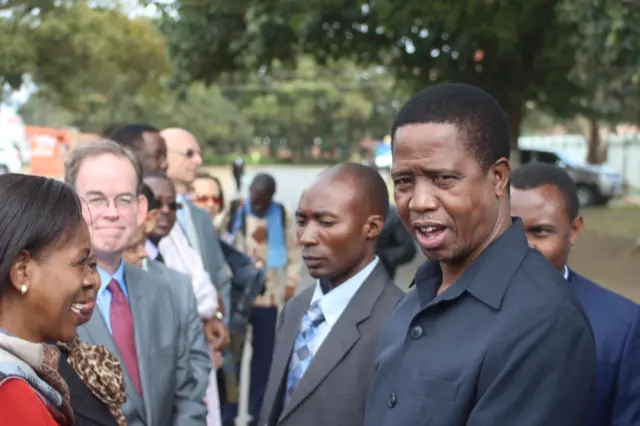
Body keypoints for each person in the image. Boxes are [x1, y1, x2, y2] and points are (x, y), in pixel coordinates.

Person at [364, 83, 596, 426]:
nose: (418, 201)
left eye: (443, 178)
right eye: (403, 182)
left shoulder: (544, 322)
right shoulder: (416, 298)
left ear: (499, 178)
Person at [64, 139, 207, 426]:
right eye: (96, 199)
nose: (112, 212)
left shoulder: (172, 291)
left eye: (124, 199)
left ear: (141, 209)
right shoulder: (49, 299)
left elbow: (189, 396)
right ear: (69, 205)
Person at [259, 163, 403, 426]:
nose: (306, 237)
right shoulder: (295, 309)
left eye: (326, 222)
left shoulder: (400, 322)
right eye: (302, 221)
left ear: (372, 227)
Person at [510, 162, 640, 426]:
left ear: (574, 230)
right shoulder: (454, 308)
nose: (522, 246)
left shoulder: (622, 326)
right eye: (508, 231)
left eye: (540, 231)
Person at [0, 174, 101, 425]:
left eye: (93, 265)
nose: (93, 281)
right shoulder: (11, 398)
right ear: (22, 270)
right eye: (81, 263)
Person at [124, 181, 224, 426]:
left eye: (173, 204)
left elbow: (195, 359)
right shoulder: (86, 288)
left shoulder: (175, 283)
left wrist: (186, 410)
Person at [220, 173, 301, 426]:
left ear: (270, 198)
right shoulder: (237, 211)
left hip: (269, 298)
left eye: (260, 202)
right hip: (240, 298)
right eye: (252, 200)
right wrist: (229, 211)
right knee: (233, 360)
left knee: (264, 360)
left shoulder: (283, 214)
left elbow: (294, 249)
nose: (256, 206)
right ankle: (229, 415)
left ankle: (257, 413)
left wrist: (291, 281)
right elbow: (215, 238)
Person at [161, 128, 232, 316]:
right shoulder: (147, 215)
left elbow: (219, 275)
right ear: (163, 157)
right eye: (189, 154)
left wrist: (220, 319)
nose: (198, 161)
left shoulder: (201, 216)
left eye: (199, 154)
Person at [375, 203, 417, 279]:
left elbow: (408, 249)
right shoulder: (350, 212)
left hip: (379, 277)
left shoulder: (392, 214)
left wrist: (381, 255)